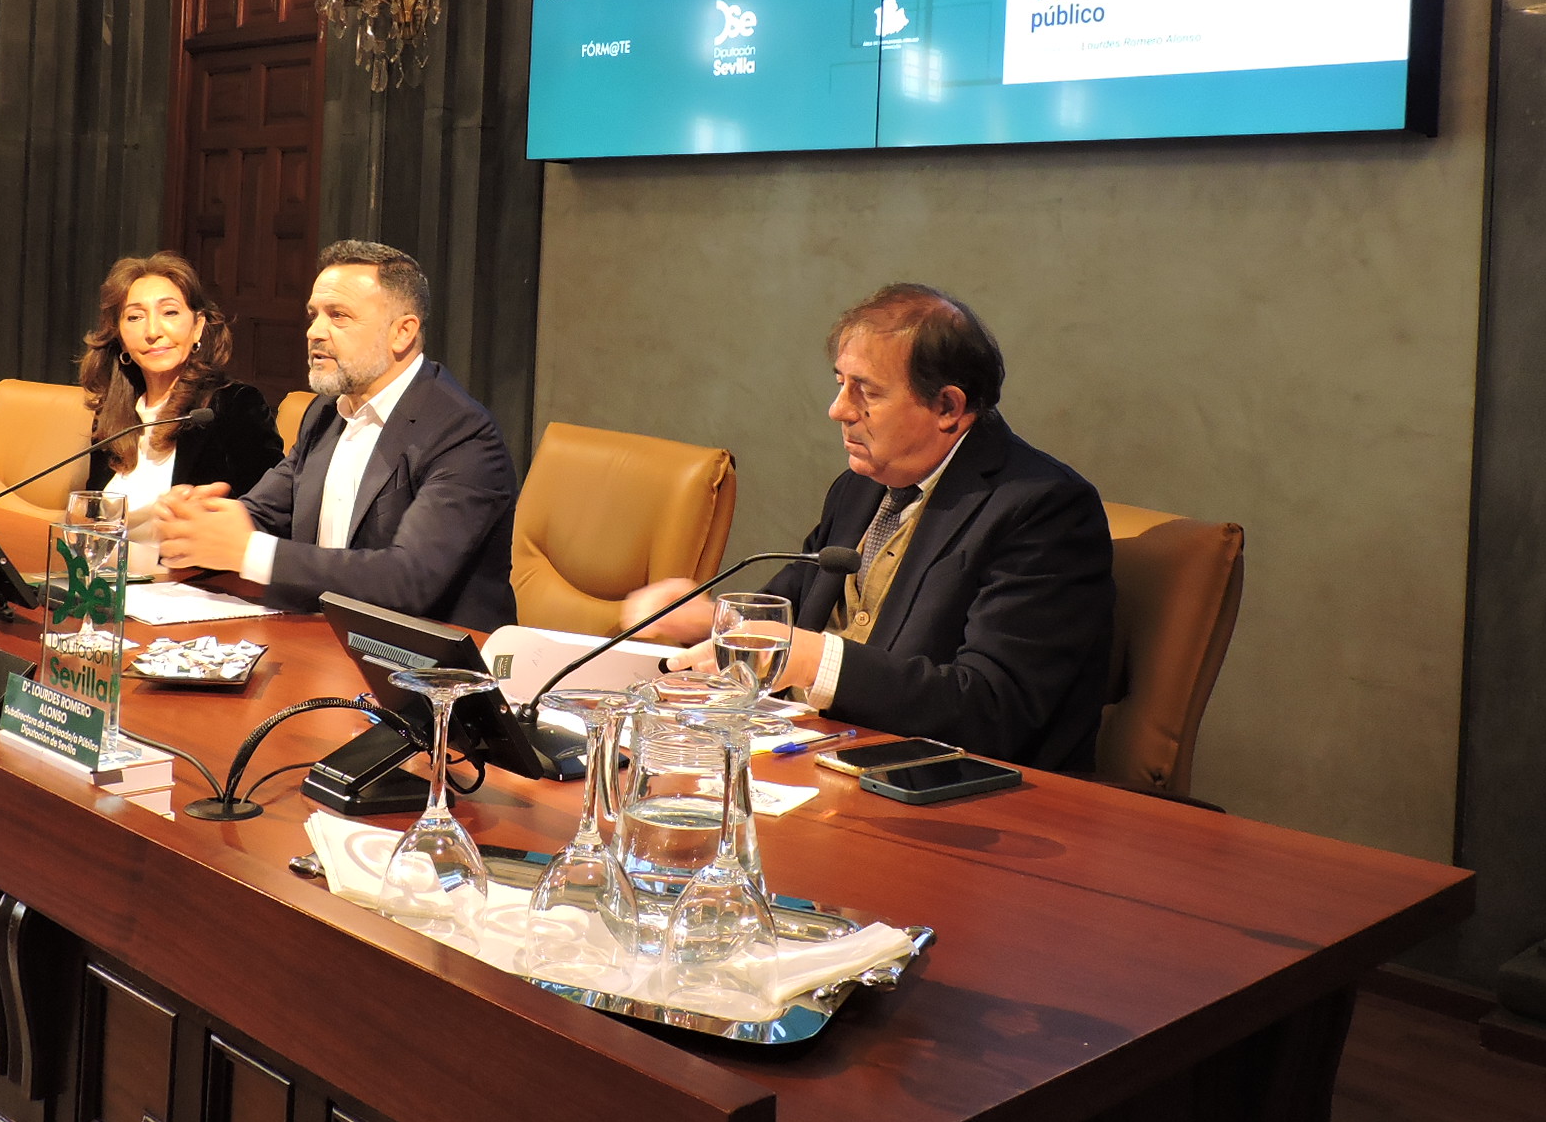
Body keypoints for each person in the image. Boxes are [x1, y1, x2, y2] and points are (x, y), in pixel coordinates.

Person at [627, 284, 1113, 772]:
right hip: (815, 758)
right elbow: (789, 615)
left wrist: (814, 660)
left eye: (867, 392)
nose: (838, 409)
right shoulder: (860, 486)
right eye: (841, 383)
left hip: (956, 791)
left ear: (947, 407)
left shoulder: (1045, 509)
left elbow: (992, 707)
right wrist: (711, 620)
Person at [153, 241, 518, 629]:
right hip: (323, 636)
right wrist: (199, 521)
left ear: (402, 332)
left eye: (338, 316)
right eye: (314, 315)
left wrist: (249, 551)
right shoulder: (326, 413)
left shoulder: (462, 433)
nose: (314, 332)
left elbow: (409, 580)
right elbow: (265, 513)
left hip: (423, 656)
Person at [76, 253, 283, 564]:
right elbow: (93, 520)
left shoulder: (233, 406)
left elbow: (271, 516)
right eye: (135, 317)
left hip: (190, 582)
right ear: (119, 335)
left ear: (198, 327)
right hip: (112, 577)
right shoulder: (114, 414)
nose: (152, 331)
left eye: (169, 312)